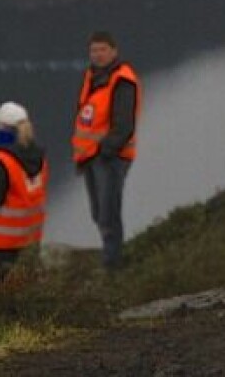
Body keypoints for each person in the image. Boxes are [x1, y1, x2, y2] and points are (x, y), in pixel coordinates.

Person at [71, 30, 142, 270]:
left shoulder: (122, 80)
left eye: (102, 50)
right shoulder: (92, 77)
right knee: (99, 212)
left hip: (110, 158)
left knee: (108, 212)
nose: (98, 55)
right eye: (94, 50)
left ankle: (113, 266)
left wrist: (105, 151)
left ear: (114, 51)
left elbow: (124, 125)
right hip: (91, 157)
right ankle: (111, 256)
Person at [0, 100, 48, 283]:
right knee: (26, 289)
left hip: (3, 246)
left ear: (5, 130)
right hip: (30, 241)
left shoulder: (2, 163)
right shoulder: (39, 159)